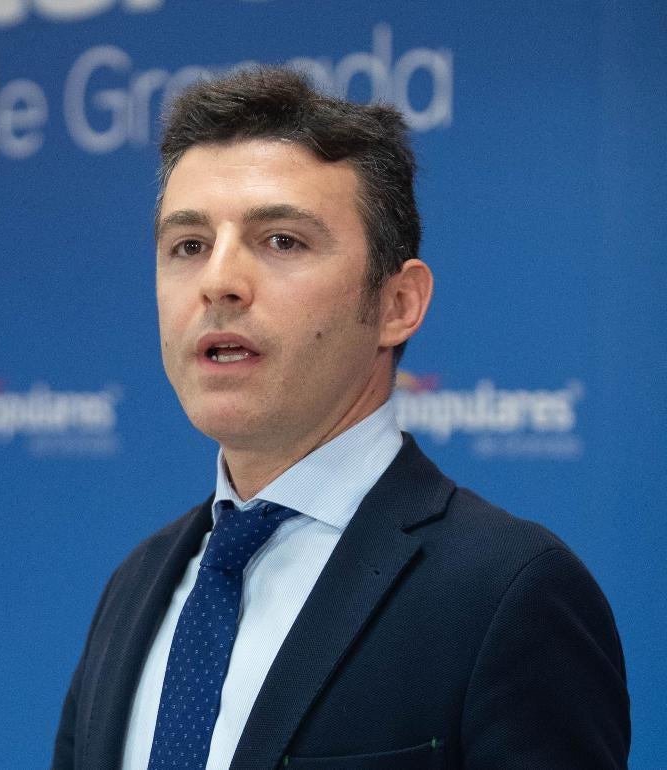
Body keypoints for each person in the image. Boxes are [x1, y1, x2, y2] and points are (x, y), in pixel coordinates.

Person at [51, 68, 630, 770]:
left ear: (397, 304)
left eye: (281, 241)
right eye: (189, 246)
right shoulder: (135, 587)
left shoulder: (510, 593)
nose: (218, 282)